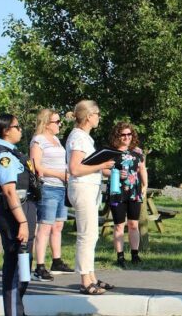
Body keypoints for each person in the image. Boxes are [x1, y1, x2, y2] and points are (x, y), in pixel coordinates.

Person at [0, 113, 41, 316]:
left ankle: (18, 313)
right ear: (6, 130)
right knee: (16, 265)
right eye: (17, 126)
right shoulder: (2, 156)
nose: (20, 130)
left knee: (22, 261)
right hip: (13, 213)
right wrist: (23, 222)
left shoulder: (9, 152)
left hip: (21, 209)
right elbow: (8, 191)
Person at [66, 100, 116, 294]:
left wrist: (106, 169)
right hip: (82, 188)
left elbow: (88, 167)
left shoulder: (85, 138)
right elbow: (75, 168)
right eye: (97, 115)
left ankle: (91, 275)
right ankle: (85, 280)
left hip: (90, 187)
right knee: (86, 234)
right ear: (89, 116)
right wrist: (101, 166)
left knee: (92, 234)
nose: (99, 118)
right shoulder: (78, 137)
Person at [29, 109, 73, 281]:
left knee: (58, 226)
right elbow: (36, 167)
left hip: (62, 187)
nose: (60, 124)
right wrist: (59, 174)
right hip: (47, 187)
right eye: (56, 122)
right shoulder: (38, 141)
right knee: (45, 226)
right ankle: (39, 266)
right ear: (46, 124)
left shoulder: (55, 140)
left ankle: (57, 260)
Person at [108, 122, 148, 268]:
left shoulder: (137, 151)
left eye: (128, 134)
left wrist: (145, 184)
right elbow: (103, 170)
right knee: (119, 225)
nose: (126, 137)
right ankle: (120, 256)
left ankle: (135, 254)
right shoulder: (111, 152)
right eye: (123, 134)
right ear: (117, 136)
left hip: (134, 192)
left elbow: (142, 169)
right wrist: (116, 172)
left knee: (133, 224)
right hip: (116, 192)